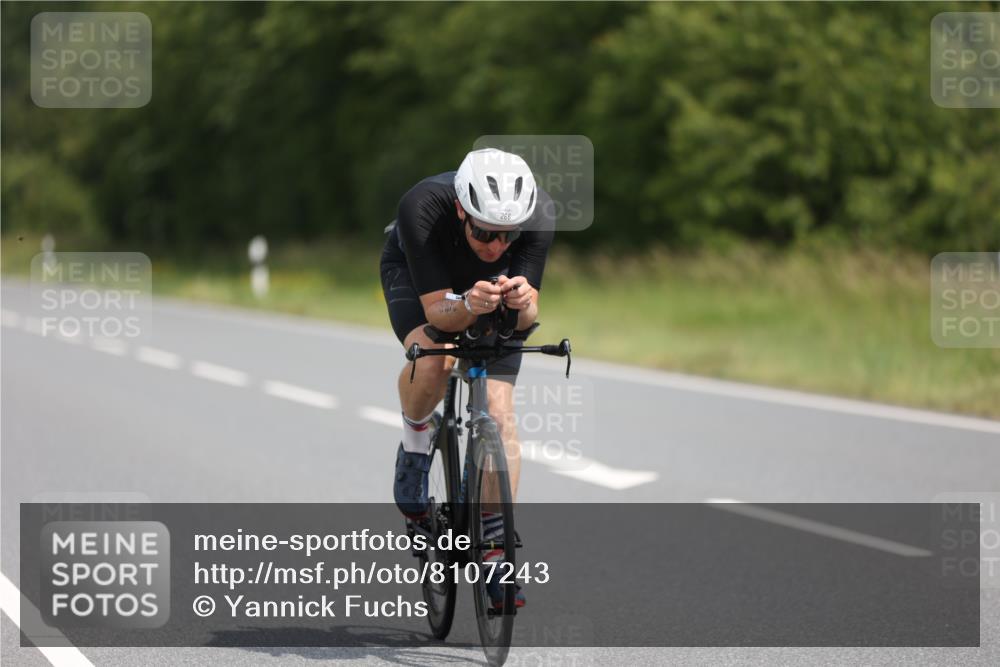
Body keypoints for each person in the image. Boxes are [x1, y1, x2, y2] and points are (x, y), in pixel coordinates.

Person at [379, 148, 555, 607]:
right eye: (484, 232)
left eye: (507, 236)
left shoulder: (539, 213)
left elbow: (527, 318)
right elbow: (439, 312)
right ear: (461, 209)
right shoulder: (422, 206)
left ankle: (495, 550)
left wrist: (521, 302)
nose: (497, 246)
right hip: (423, 274)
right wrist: (468, 305)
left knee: (500, 413)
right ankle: (416, 445)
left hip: (488, 293)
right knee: (435, 361)